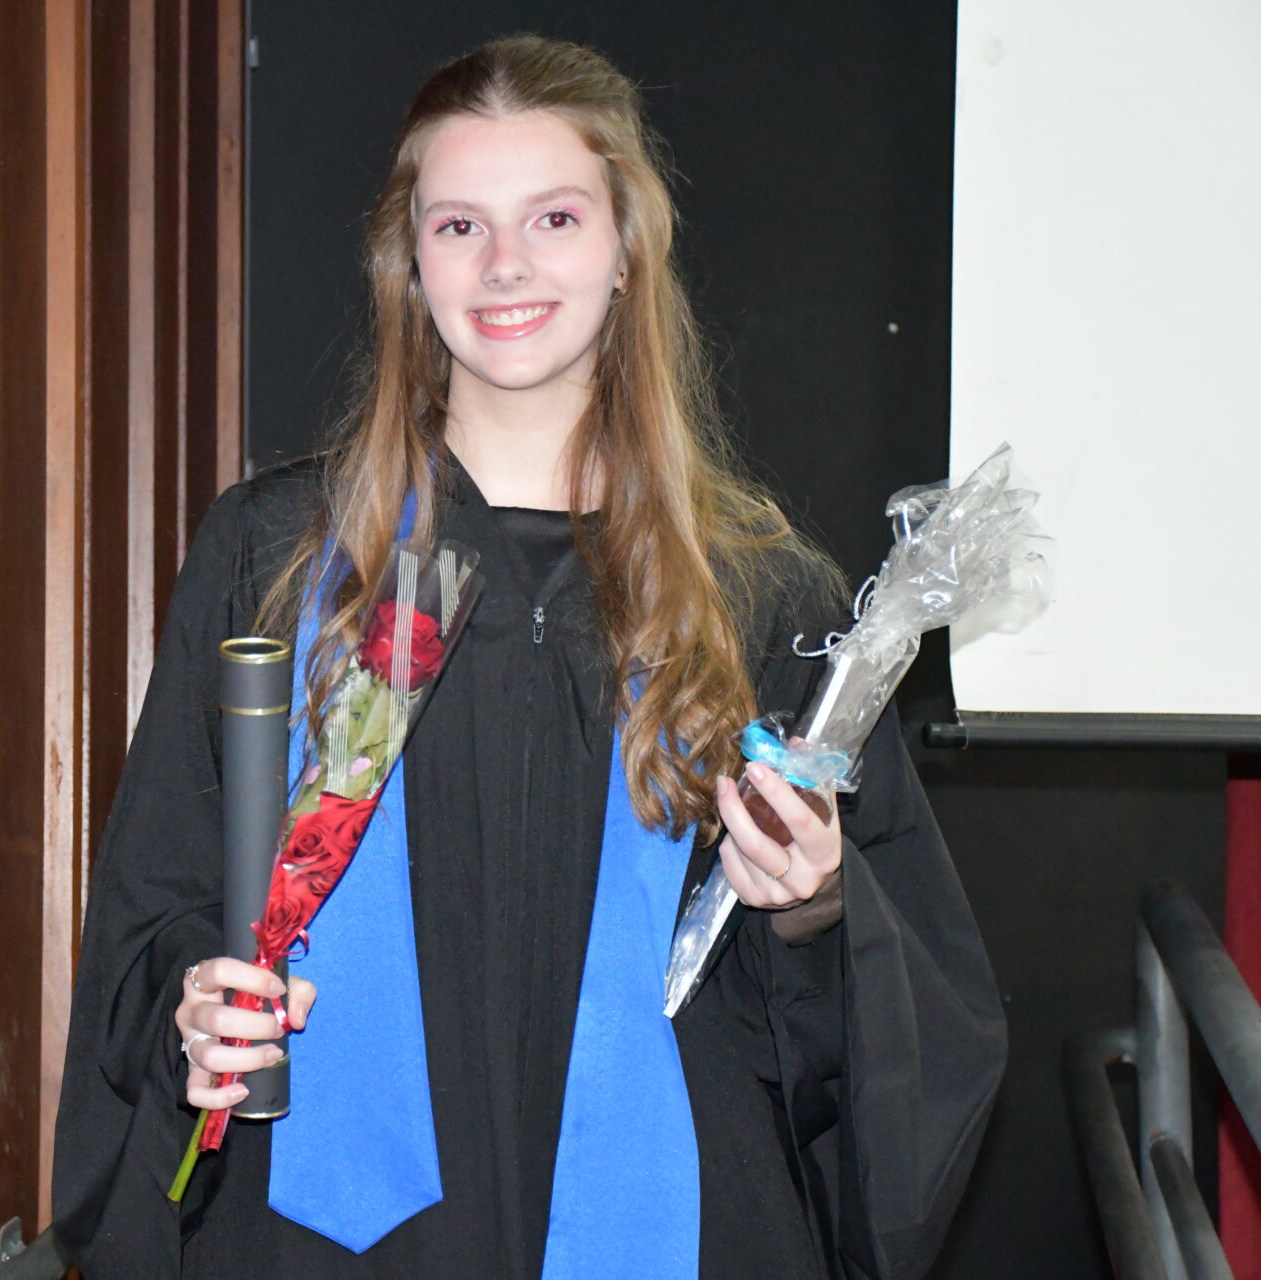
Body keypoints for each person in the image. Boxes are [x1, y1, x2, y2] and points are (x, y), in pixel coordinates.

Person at [52, 34, 1003, 1280]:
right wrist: (195, 1001)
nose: (506, 263)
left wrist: (817, 903)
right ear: (408, 264)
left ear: (627, 248)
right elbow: (157, 914)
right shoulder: (280, 561)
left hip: (673, 1233)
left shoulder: (757, 598)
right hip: (329, 1244)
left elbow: (897, 1034)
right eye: (460, 226)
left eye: (554, 217)